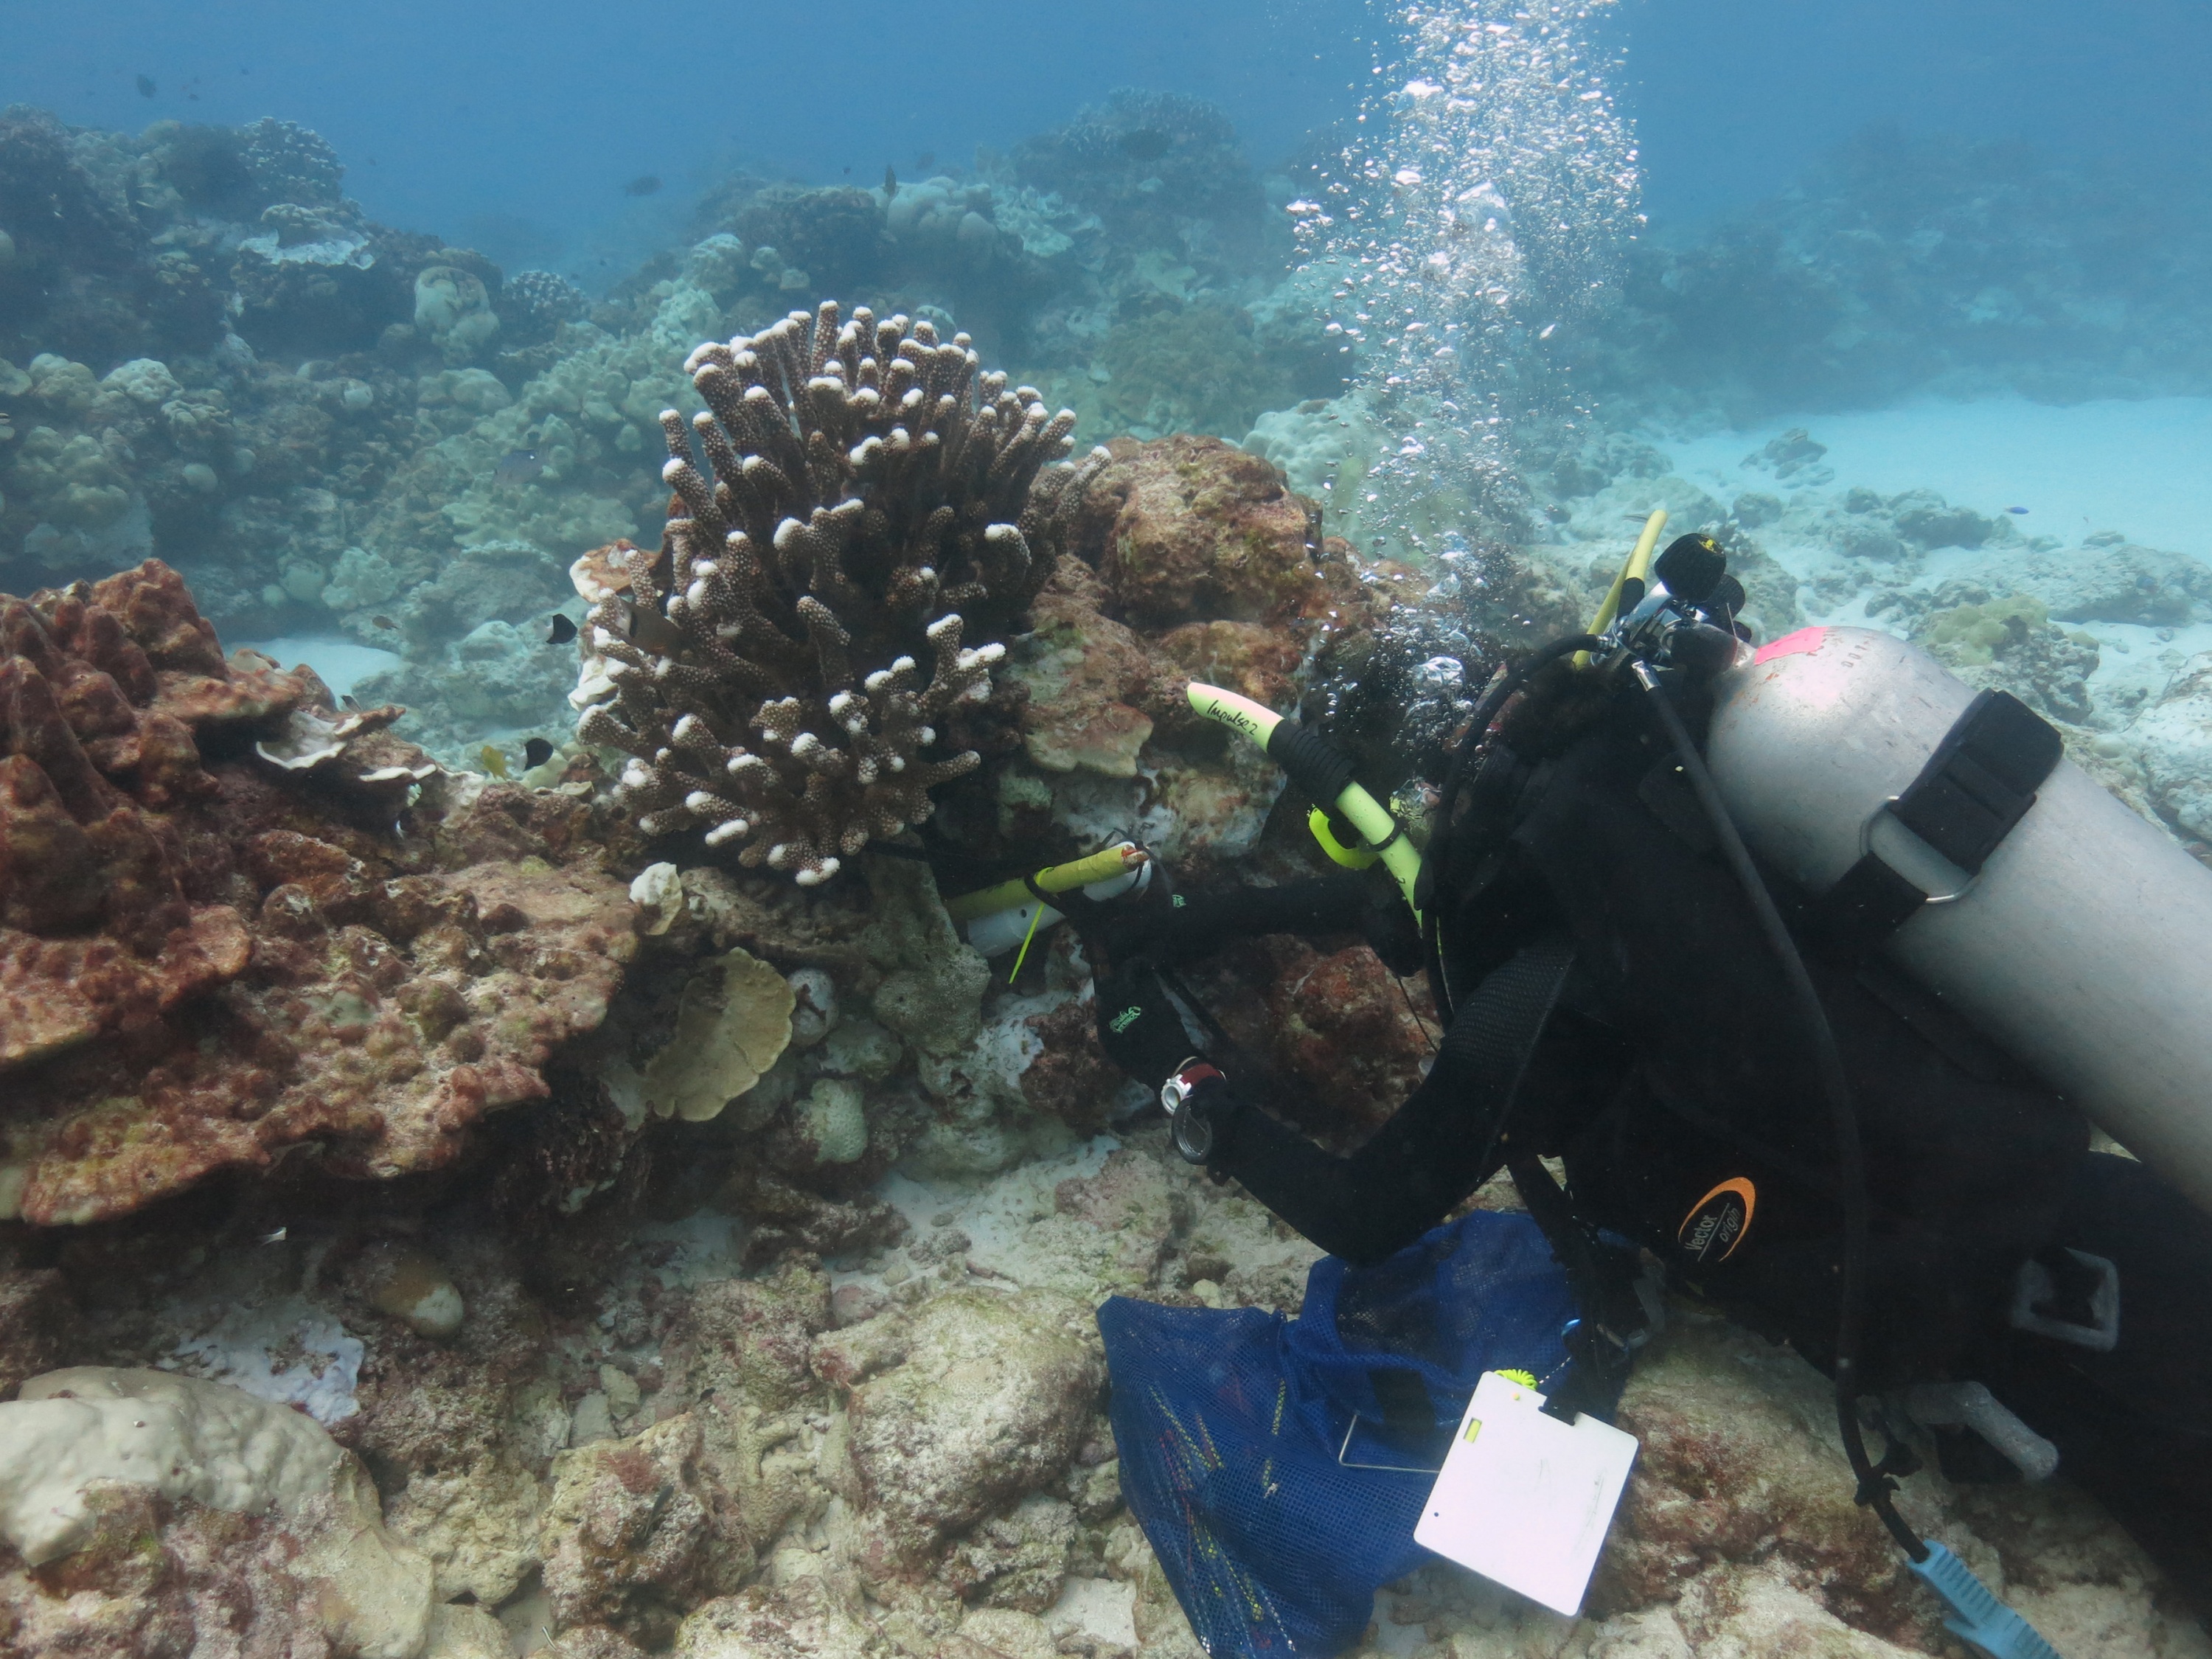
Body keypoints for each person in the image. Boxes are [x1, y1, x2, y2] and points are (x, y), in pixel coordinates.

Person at [1084, 536, 2212, 1621]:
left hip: (2044, 1326)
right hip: (2095, 1194)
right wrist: (1192, 917)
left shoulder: (1532, 999)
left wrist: (1178, 1076)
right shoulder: (1637, 802)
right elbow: (1399, 903)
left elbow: (1361, 1214)